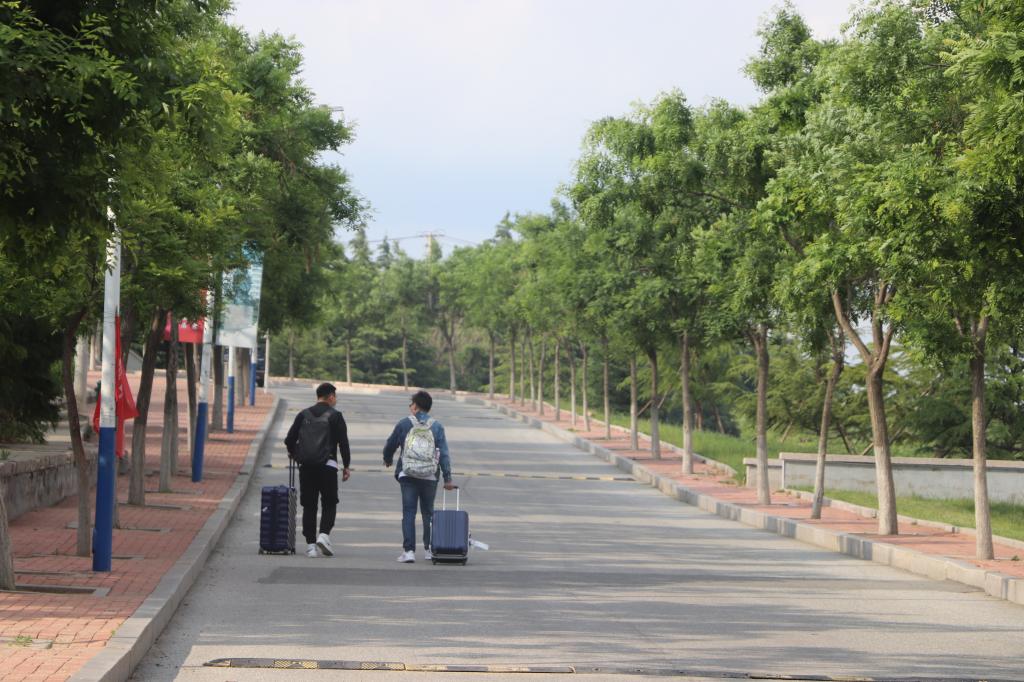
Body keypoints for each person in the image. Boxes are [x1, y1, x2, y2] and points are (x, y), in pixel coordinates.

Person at [383, 390, 454, 563]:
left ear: (415, 406)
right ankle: (429, 550)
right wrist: (447, 478)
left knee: (409, 512)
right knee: (428, 512)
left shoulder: (404, 424)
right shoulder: (437, 427)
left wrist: (388, 459)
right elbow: (444, 454)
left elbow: (390, 444)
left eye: (411, 404)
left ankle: (409, 552)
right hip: (430, 475)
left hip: (408, 473)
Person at [284, 382, 351, 558]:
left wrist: (295, 454)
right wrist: (346, 466)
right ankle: (324, 534)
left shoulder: (303, 414)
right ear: (331, 397)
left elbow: (289, 439)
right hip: (328, 466)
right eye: (335, 397)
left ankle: (311, 546)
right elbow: (343, 443)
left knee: (309, 505)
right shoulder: (335, 416)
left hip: (306, 466)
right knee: (329, 503)